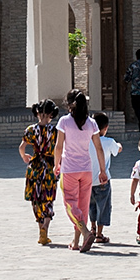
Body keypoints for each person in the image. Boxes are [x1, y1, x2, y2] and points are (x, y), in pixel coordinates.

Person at [56, 88, 103, 252]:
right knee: (82, 206)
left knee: (70, 204)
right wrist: (102, 170)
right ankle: (77, 242)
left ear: (69, 105)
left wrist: (56, 164)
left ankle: (85, 231)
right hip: (86, 170)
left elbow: (58, 146)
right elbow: (99, 148)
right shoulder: (92, 123)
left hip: (69, 169)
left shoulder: (64, 121)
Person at [19, 100, 61, 245]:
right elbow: (59, 149)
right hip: (49, 167)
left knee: (36, 199)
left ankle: (40, 230)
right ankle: (46, 228)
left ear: (37, 112)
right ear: (52, 114)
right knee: (48, 199)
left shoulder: (31, 130)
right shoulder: (55, 131)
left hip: (34, 167)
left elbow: (21, 147)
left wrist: (24, 156)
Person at [90, 111, 120, 246]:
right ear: (105, 128)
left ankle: (92, 228)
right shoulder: (109, 141)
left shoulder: (86, 141)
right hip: (103, 180)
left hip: (88, 180)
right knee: (103, 206)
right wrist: (119, 146)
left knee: (91, 206)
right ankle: (99, 234)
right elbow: (117, 150)